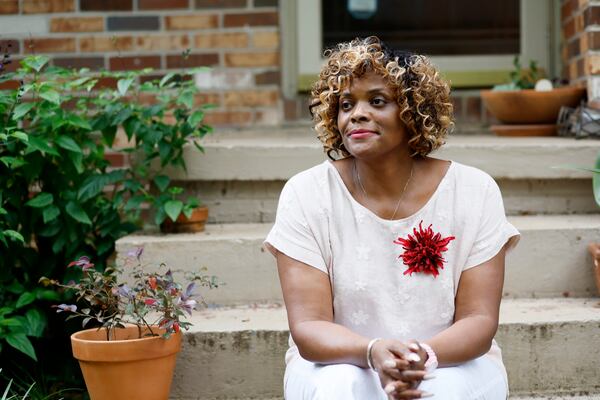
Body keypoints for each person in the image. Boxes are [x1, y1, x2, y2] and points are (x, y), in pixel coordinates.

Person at [264, 36, 520, 400]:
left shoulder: (473, 191)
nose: (357, 114)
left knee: (440, 394)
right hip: (341, 364)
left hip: (447, 363)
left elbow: (479, 321)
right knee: (340, 389)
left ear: (415, 113)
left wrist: (419, 360)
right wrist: (372, 352)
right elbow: (309, 326)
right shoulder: (307, 194)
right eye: (346, 104)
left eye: (378, 101)